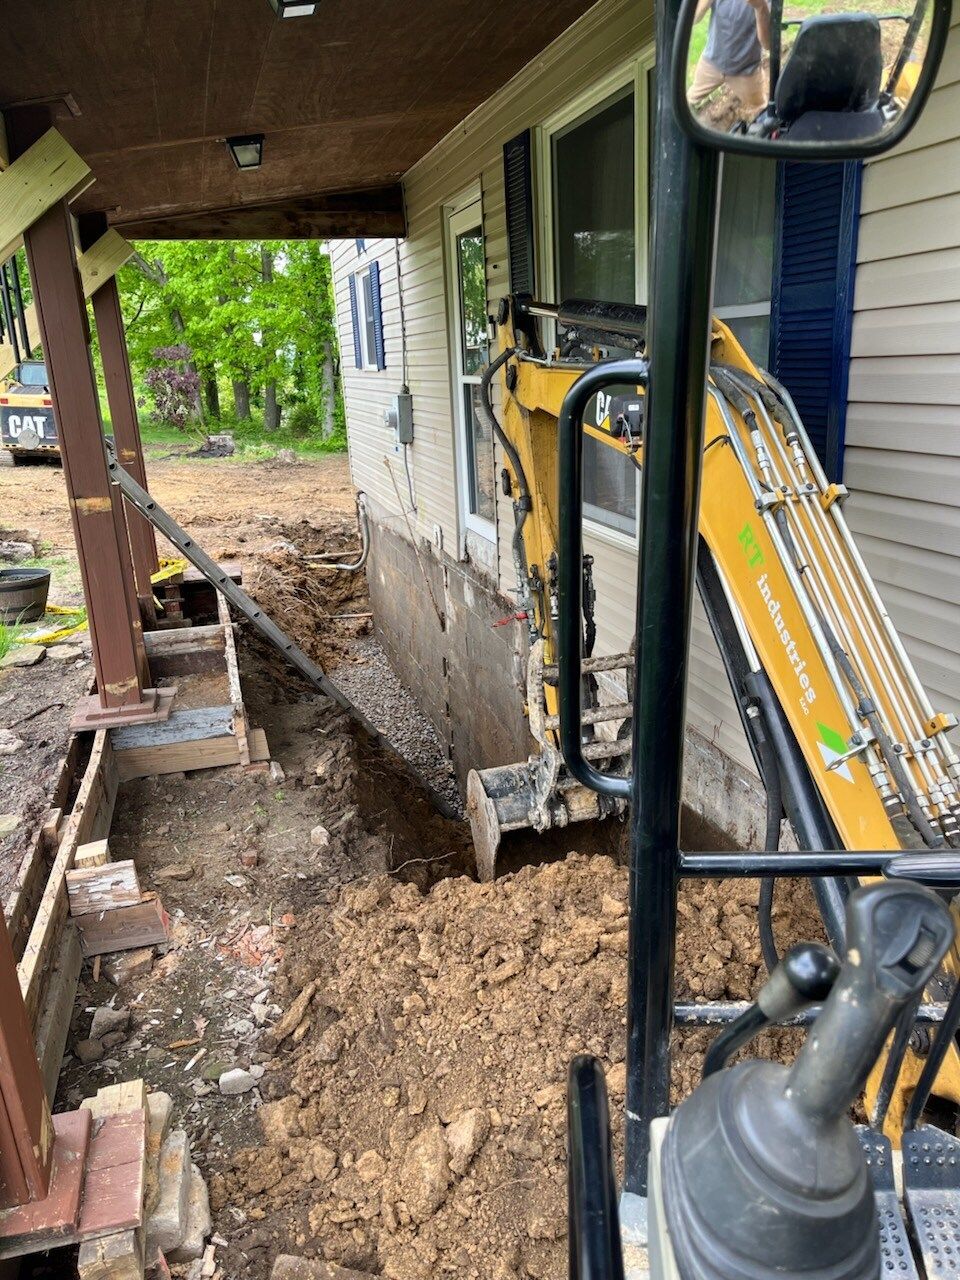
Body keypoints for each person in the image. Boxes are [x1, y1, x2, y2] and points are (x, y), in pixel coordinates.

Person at [688, 0, 771, 117]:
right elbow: (693, 19)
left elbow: (767, 44)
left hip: (746, 71)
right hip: (711, 62)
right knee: (689, 100)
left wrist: (761, 7)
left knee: (760, 111)